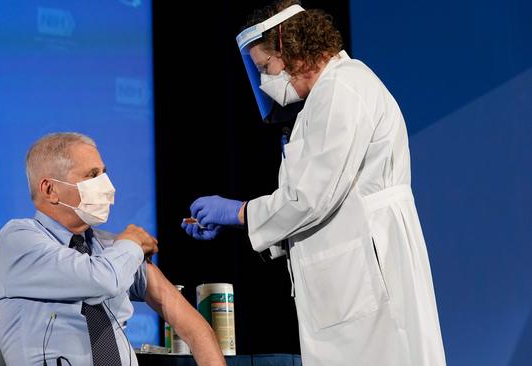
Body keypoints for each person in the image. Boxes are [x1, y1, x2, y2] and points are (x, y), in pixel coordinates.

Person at [181, 1, 446, 365]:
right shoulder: (325, 96)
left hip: (370, 271)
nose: (264, 81)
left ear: (290, 47)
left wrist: (240, 213)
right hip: (353, 269)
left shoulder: (343, 88)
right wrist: (248, 225)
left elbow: (310, 197)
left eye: (266, 67)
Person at [0, 132, 225, 366]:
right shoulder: (19, 239)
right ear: (50, 190)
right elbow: (100, 280)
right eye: (92, 175)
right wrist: (132, 244)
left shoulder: (113, 248)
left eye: (103, 173)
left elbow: (194, 328)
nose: (106, 186)